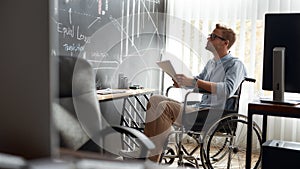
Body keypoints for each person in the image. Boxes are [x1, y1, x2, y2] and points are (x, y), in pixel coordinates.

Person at [143, 24, 247, 162]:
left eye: (214, 36)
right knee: (155, 99)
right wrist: (183, 82)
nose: (208, 38)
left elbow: (227, 90)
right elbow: (198, 82)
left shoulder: (235, 64)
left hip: (215, 113)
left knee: (165, 107)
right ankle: (146, 152)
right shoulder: (211, 63)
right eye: (210, 35)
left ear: (225, 43)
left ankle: (151, 161)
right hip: (200, 108)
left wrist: (194, 82)